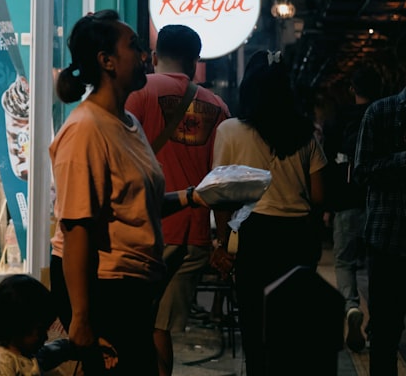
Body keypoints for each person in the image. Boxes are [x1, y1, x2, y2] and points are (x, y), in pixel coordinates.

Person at [49, 10, 205, 376]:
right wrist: (82, 319)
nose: (145, 54)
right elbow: (77, 229)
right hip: (105, 287)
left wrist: (192, 197)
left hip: (134, 286)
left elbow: (134, 206)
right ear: (106, 61)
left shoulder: (128, 122)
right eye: (133, 46)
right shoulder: (86, 130)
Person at [211, 50, 326, 376]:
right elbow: (319, 195)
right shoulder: (305, 133)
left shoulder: (230, 131)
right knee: (291, 327)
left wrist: (222, 242)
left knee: (253, 324)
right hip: (297, 235)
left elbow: (220, 194)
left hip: (253, 234)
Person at [125, 24, 230, 376]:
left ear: (154, 56)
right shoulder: (217, 108)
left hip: (142, 230)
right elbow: (222, 181)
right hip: (192, 236)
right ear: (196, 62)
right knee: (160, 328)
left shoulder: (137, 94)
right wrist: (224, 240)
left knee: (134, 324)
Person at [353, 29, 406, 376]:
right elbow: (362, 171)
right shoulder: (382, 112)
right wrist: (403, 159)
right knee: (387, 328)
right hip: (388, 237)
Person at [322, 65, 381, 352]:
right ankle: (378, 319)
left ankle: (351, 306)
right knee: (376, 263)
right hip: (379, 203)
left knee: (344, 261)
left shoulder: (339, 120)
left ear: (353, 90)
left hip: (345, 202)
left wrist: (328, 206)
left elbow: (329, 166)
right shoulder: (386, 116)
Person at [0, 274, 77, 376]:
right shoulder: (3, 363)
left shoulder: (32, 353)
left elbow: (59, 349)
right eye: (40, 331)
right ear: (17, 328)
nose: (45, 337)